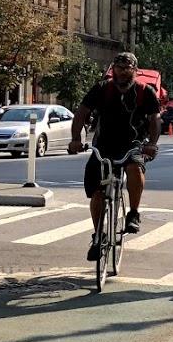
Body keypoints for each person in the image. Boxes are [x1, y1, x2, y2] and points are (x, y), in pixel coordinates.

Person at [68, 51, 161, 262]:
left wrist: (152, 144)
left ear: (135, 70)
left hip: (133, 144)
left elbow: (155, 119)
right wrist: (75, 139)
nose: (123, 72)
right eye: (119, 68)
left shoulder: (145, 92)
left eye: (128, 68)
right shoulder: (102, 89)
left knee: (134, 168)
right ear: (113, 70)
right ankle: (98, 235)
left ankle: (133, 213)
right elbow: (81, 113)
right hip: (103, 145)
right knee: (97, 192)